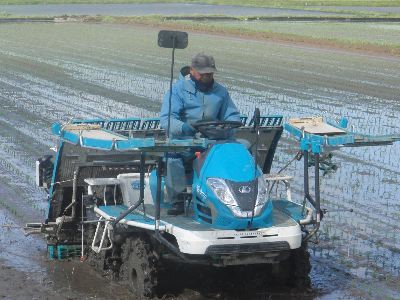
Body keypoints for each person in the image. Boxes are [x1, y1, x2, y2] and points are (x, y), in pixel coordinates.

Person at [160, 53, 240, 215]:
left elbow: (232, 115)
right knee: (172, 156)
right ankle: (178, 199)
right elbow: (167, 119)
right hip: (185, 142)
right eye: (204, 74)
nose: (207, 77)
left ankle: (236, 198)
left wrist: (227, 128)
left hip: (213, 142)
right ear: (192, 71)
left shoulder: (220, 92)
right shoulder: (177, 91)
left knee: (242, 148)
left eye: (210, 74)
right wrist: (184, 128)